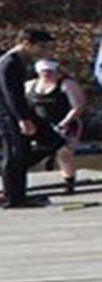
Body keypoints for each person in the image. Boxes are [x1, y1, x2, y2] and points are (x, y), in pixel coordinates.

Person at [0, 28, 55, 208]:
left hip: (18, 111)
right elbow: (11, 95)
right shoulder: (8, 63)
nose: (45, 51)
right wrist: (23, 119)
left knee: (53, 140)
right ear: (26, 43)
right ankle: (14, 198)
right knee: (15, 153)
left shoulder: (17, 61)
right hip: (7, 114)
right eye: (41, 47)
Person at [26, 58, 86, 194]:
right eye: (43, 72)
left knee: (64, 152)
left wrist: (64, 123)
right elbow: (24, 106)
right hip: (41, 125)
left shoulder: (67, 84)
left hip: (67, 123)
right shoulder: (30, 86)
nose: (47, 74)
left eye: (50, 71)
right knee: (31, 152)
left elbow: (78, 106)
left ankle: (69, 183)